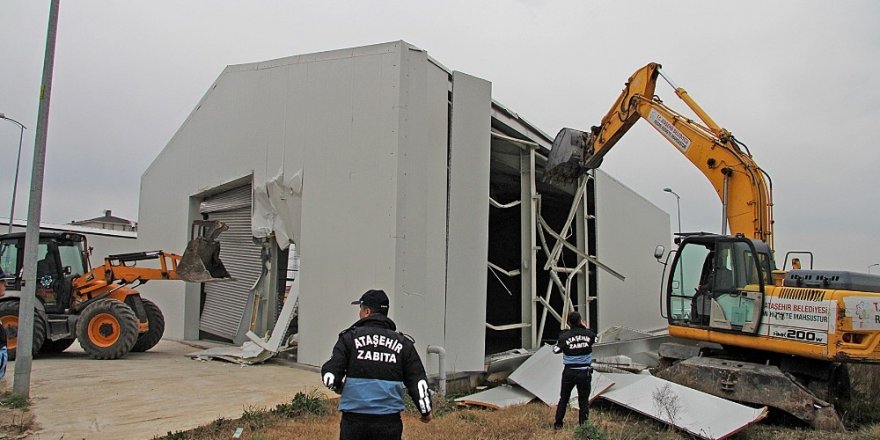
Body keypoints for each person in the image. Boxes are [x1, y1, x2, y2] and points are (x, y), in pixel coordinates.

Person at [321, 289, 432, 440]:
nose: (359, 313)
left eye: (360, 309)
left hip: (354, 422)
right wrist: (425, 411)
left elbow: (331, 374)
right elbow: (417, 381)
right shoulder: (403, 343)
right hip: (388, 423)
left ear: (367, 311)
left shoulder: (349, 338)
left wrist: (337, 385)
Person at [553, 311, 596, 430]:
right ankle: (584, 426)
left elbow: (555, 350)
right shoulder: (589, 334)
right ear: (580, 321)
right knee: (583, 400)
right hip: (584, 372)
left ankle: (558, 424)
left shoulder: (564, 336)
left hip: (569, 372)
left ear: (568, 322)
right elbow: (595, 339)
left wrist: (562, 340)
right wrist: (586, 328)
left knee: (564, 398)